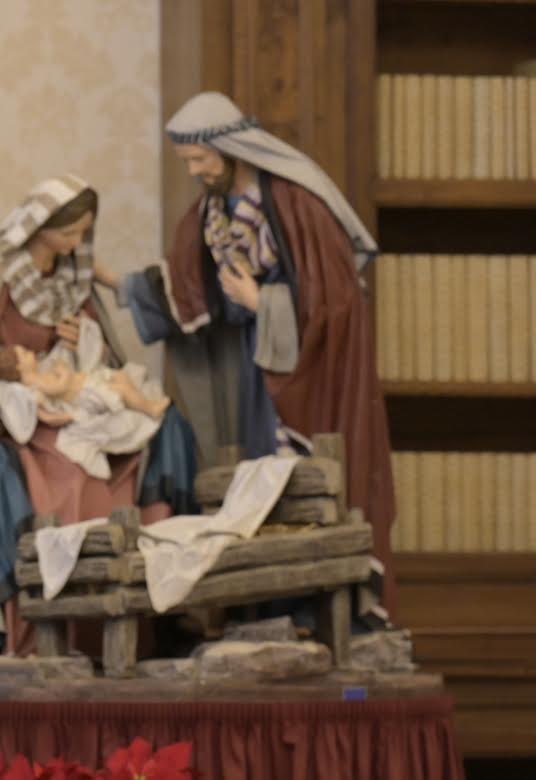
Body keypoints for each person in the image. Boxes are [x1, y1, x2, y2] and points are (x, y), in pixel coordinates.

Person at [0, 175, 196, 676]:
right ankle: (61, 626)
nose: (76, 242)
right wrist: (24, 391)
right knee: (70, 474)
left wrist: (81, 339)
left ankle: (141, 611)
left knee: (148, 439)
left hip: (73, 401)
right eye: (69, 232)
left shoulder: (72, 282)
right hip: (17, 417)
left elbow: (98, 360)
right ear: (40, 228)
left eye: (83, 233)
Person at [95, 91, 396, 614]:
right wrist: (116, 283)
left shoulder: (296, 204)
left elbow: (336, 298)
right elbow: (188, 287)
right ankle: (270, 605)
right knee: (257, 480)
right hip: (253, 369)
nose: (194, 170)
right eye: (187, 161)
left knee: (304, 479)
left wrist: (264, 302)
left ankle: (317, 608)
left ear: (229, 148)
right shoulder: (212, 211)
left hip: (306, 372)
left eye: (199, 159)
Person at [0, 337, 172, 480]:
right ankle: (150, 408)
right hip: (86, 394)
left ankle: (142, 402)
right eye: (25, 354)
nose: (30, 353)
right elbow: (58, 389)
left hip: (88, 384)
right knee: (121, 389)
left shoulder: (38, 374)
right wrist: (64, 373)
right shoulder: (36, 384)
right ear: (20, 366)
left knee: (122, 378)